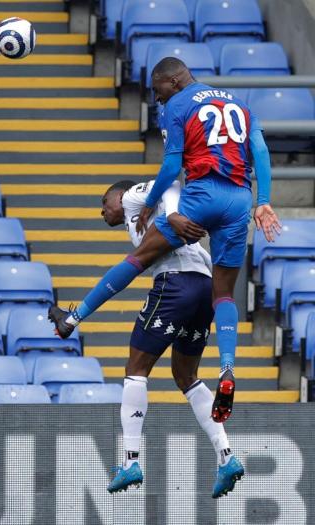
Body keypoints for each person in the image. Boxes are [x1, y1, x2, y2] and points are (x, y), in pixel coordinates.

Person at [48, 56, 281, 424]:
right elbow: (263, 153)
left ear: (172, 82)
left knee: (138, 258)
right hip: (239, 200)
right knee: (223, 294)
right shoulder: (240, 103)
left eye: (157, 92)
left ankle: (74, 319)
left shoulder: (177, 105)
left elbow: (172, 166)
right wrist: (263, 201)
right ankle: (227, 369)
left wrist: (153, 201)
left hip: (201, 195)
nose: (157, 100)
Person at [99, 180, 244, 498]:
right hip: (204, 288)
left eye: (105, 201)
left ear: (119, 196)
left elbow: (171, 183)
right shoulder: (140, 220)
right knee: (186, 376)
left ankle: (130, 461)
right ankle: (226, 456)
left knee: (136, 368)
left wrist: (174, 211)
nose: (102, 210)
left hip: (175, 283)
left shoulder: (136, 198)